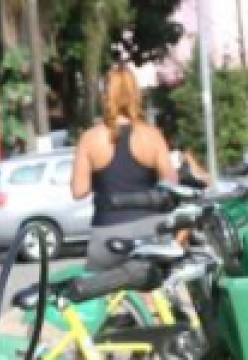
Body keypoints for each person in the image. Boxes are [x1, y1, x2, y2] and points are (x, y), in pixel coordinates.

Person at [73, 66, 188, 271]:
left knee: (103, 295)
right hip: (149, 230)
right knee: (152, 294)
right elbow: (172, 185)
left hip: (107, 232)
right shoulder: (152, 136)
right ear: (136, 94)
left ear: (105, 95)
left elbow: (78, 190)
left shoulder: (90, 138)